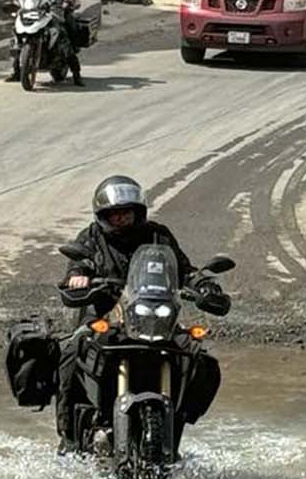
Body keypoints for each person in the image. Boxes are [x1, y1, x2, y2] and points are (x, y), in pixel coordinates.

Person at [54, 175, 212, 452]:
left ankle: (181, 417)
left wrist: (203, 284)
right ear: (104, 216)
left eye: (126, 212)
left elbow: (183, 268)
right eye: (114, 214)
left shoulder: (158, 235)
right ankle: (68, 436)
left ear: (138, 211)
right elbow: (79, 263)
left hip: (153, 317)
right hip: (104, 316)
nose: (121, 218)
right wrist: (78, 275)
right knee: (71, 352)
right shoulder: (92, 236)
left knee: (199, 356)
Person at [8, 0, 84, 86]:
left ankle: (77, 75)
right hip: (37, 14)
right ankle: (16, 72)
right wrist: (21, 1)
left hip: (54, 15)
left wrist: (67, 0)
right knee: (16, 38)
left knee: (64, 42)